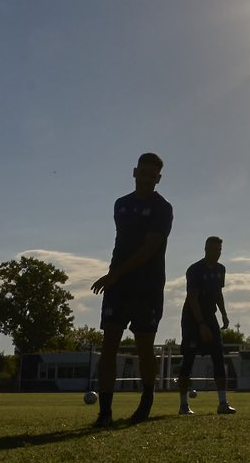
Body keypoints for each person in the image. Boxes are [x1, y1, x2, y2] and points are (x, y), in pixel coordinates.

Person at [90, 153, 172, 427]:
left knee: (144, 345)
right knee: (109, 344)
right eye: (143, 173)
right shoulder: (121, 205)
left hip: (146, 285)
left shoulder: (163, 208)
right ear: (134, 172)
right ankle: (105, 412)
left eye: (153, 176)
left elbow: (149, 248)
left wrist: (114, 274)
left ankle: (146, 401)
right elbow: (123, 242)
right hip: (118, 284)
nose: (147, 179)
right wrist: (115, 276)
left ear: (158, 178)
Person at [176, 236, 235, 416]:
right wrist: (201, 324)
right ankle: (184, 405)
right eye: (213, 250)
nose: (216, 253)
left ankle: (223, 403)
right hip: (192, 319)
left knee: (218, 356)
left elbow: (218, 293)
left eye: (219, 250)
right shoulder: (195, 270)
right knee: (188, 359)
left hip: (210, 317)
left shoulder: (220, 270)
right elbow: (192, 298)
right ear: (205, 249)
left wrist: (223, 313)